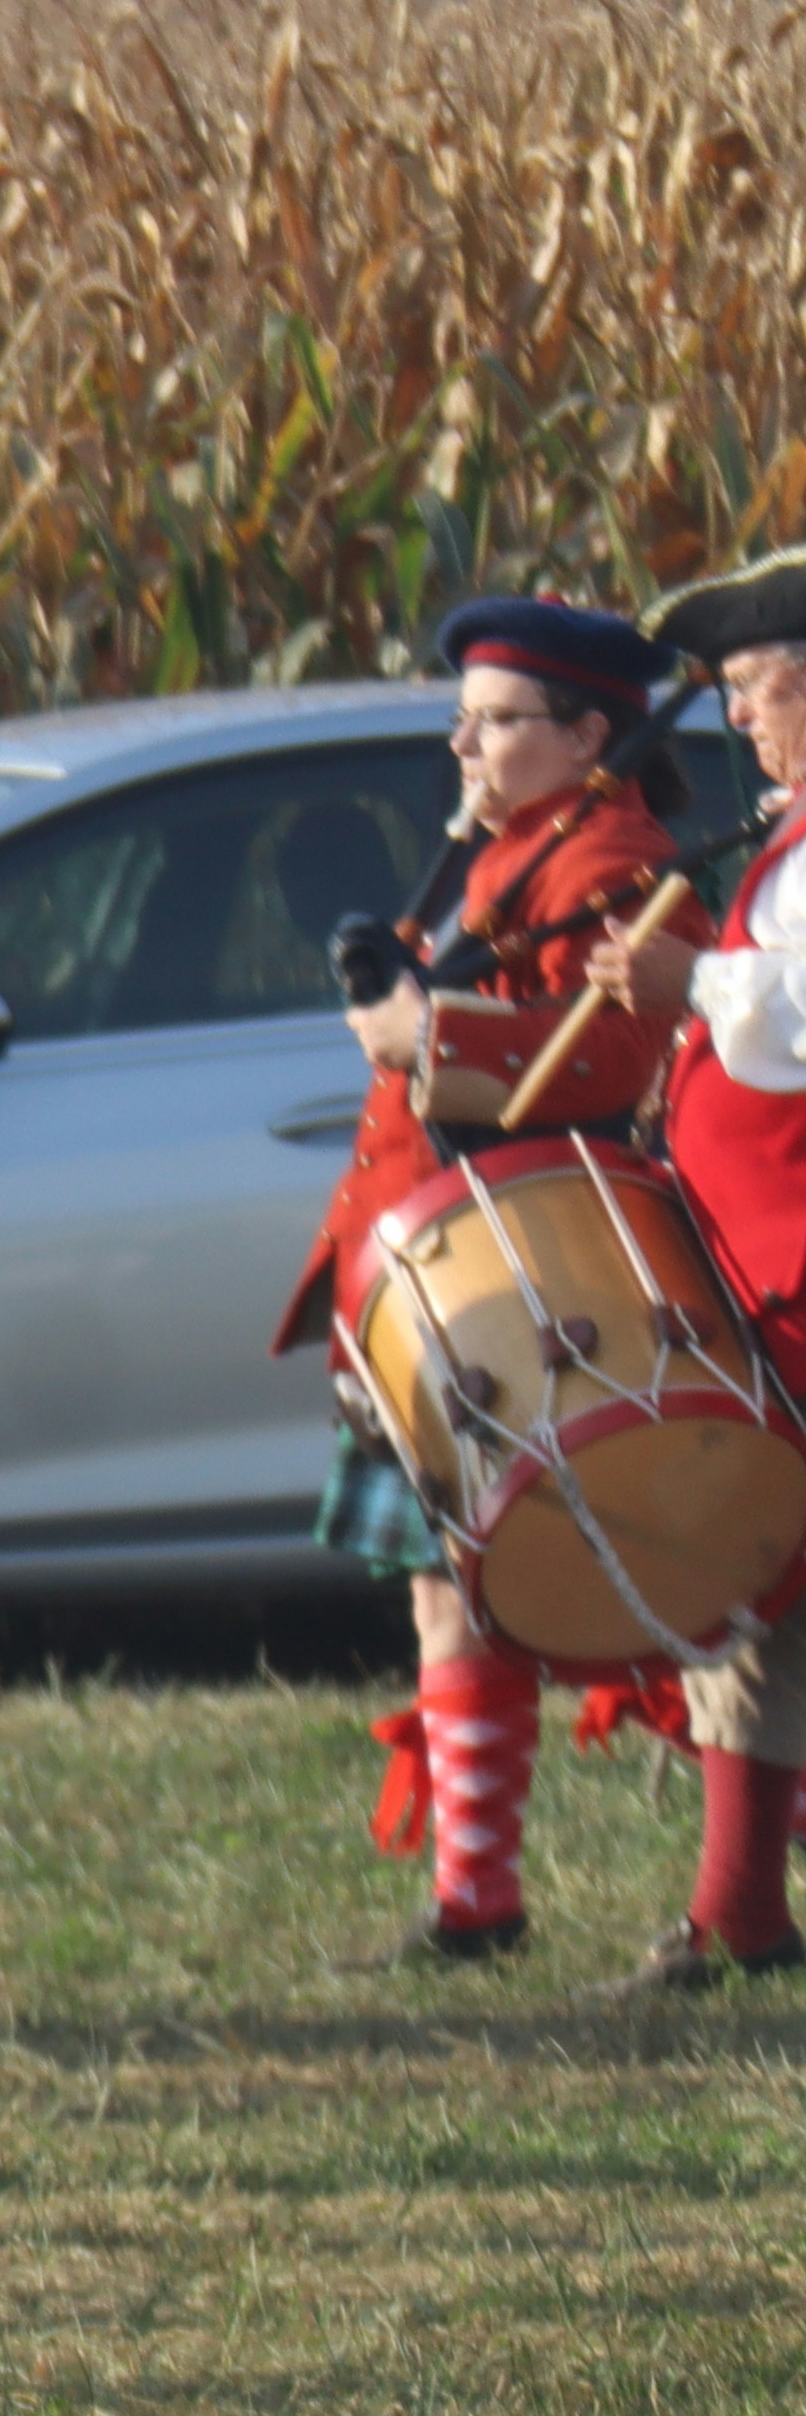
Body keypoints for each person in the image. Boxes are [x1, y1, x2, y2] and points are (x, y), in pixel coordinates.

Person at [284, 593, 701, 1962]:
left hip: (525, 1275)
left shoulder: (616, 860)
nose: (463, 740)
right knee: (445, 1586)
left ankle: (736, 1872)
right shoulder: (507, 851)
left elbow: (607, 1061)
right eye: (463, 716)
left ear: (589, 735)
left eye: (499, 719)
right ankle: (478, 1900)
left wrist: (426, 1027)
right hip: (429, 1265)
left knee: (668, 1590)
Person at [593, 552, 806, 1981]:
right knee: (762, 1584)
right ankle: (736, 1912)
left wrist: (697, 985)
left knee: (763, 1576)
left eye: (757, 686)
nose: (737, 720)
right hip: (770, 1284)